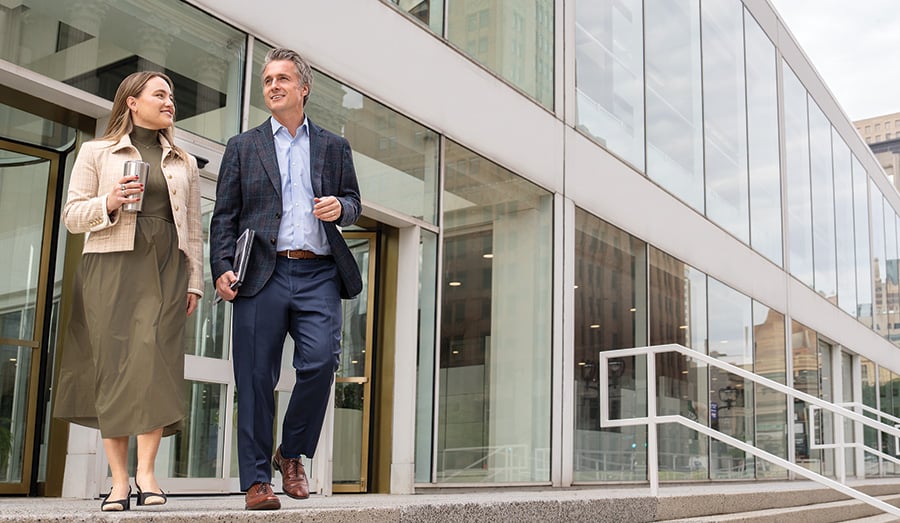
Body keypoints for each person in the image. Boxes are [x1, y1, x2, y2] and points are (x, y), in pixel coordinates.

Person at [209, 47, 362, 511]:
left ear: (304, 87)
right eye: (268, 80)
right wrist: (221, 267)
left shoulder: (334, 146)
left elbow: (354, 202)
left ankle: (290, 452)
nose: (273, 86)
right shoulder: (243, 146)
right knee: (255, 377)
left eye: (283, 79)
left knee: (320, 363)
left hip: (319, 271)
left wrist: (341, 208)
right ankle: (257, 480)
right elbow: (225, 216)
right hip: (262, 273)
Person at [54, 71, 203, 511]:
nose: (170, 101)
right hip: (112, 262)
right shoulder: (96, 151)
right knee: (115, 365)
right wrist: (110, 201)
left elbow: (194, 228)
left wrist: (195, 281)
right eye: (160, 94)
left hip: (167, 265)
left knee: (157, 363)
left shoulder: (184, 161)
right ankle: (119, 481)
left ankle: (147, 474)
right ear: (132, 102)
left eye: (171, 95)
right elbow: (72, 215)